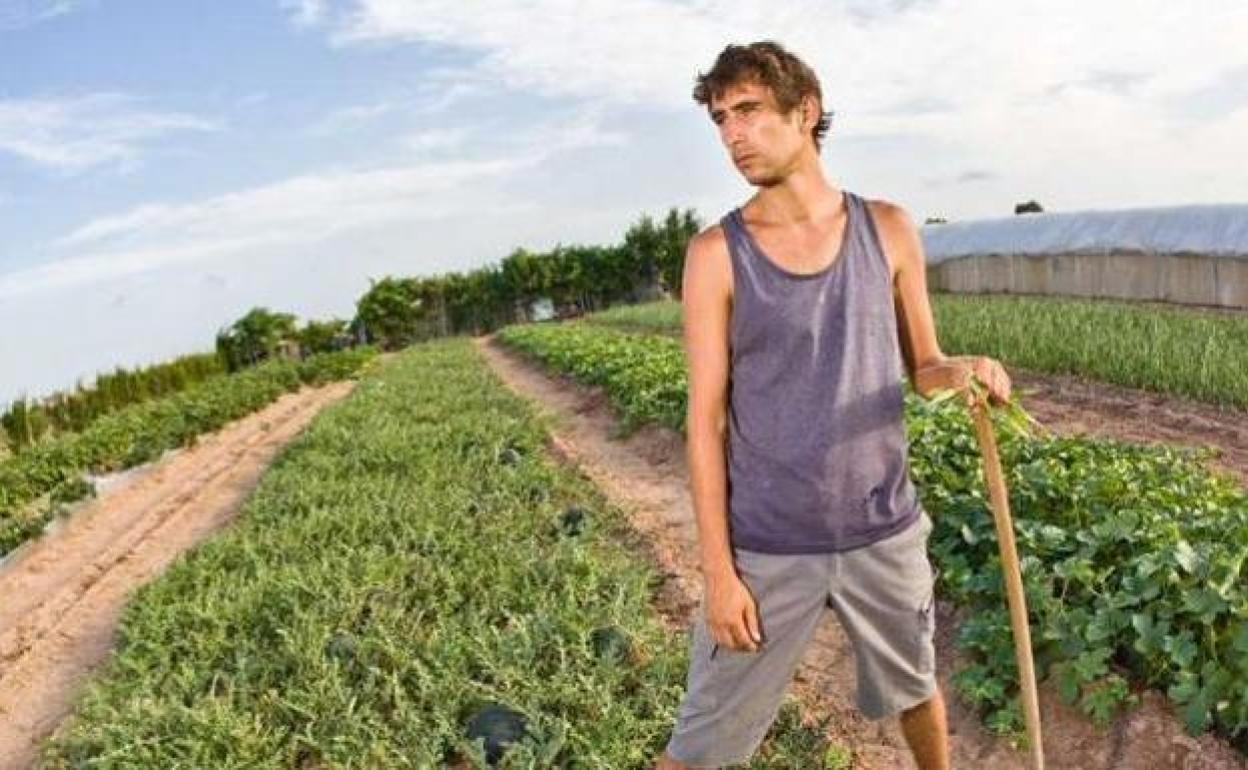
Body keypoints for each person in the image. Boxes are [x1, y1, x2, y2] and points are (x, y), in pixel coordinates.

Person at [653, 41, 1012, 770]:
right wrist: (718, 575)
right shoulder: (716, 255)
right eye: (721, 119)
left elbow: (926, 369)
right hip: (768, 547)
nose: (733, 135)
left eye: (749, 111)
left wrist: (967, 369)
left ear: (805, 111)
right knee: (699, 747)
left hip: (883, 529)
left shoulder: (888, 228)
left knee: (916, 693)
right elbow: (705, 422)